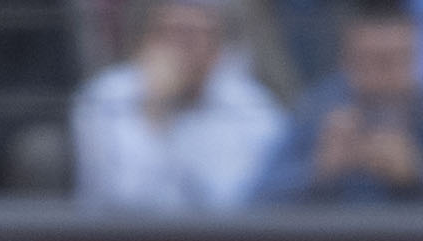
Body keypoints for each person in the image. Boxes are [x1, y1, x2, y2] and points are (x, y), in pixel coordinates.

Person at [253, 0, 423, 203]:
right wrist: (319, 169)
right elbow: (255, 202)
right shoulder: (321, 105)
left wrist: (418, 173)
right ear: (346, 62)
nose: (383, 77)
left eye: (395, 61)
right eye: (369, 62)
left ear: (417, 59)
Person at [70, 0, 289, 211]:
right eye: (170, 32)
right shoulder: (105, 96)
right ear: (147, 39)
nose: (181, 48)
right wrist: (154, 111)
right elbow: (124, 199)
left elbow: (240, 205)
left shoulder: (252, 106)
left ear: (218, 47)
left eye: (193, 34)